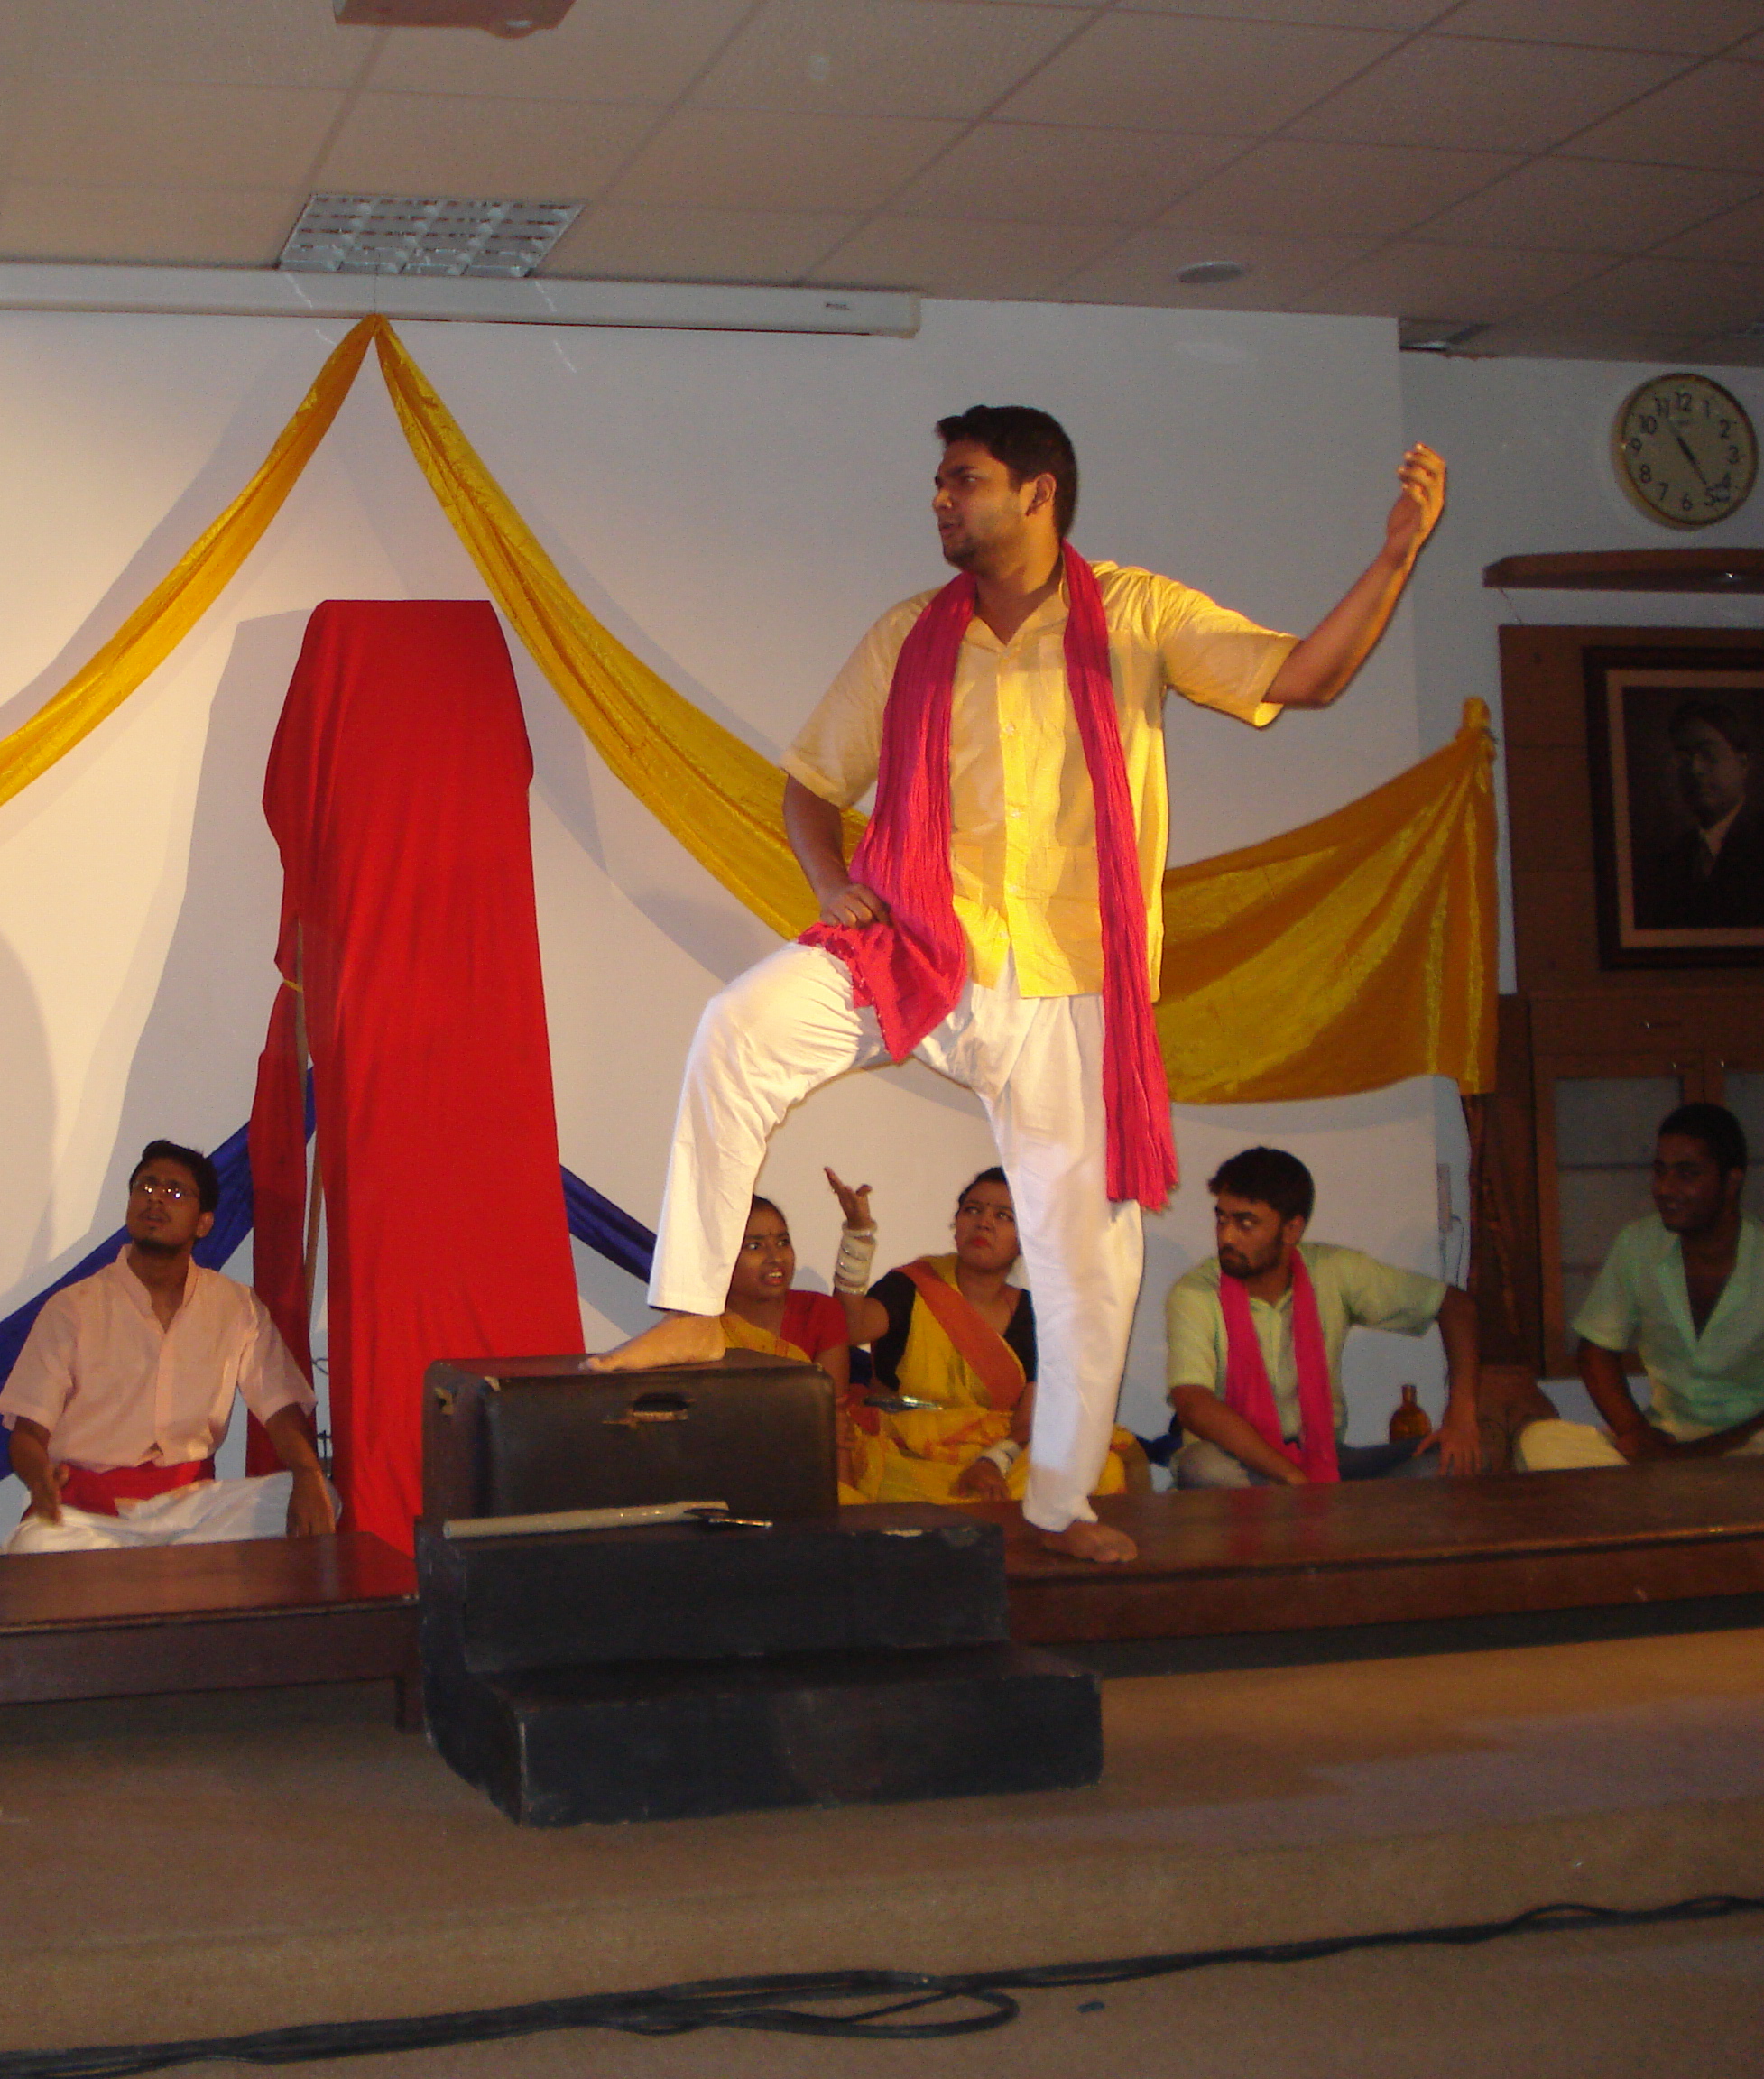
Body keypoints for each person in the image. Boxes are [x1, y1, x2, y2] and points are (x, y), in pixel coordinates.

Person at [591, 404, 1449, 1567]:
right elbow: (810, 781)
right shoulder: (911, 635)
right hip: (919, 951)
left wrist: (1395, 556)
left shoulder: (1136, 615)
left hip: (1069, 987)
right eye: (941, 482)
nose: (940, 499)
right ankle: (695, 1311)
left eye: (965, 479)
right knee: (736, 1027)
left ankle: (1059, 1503)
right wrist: (833, 884)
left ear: (1038, 493)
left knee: (1091, 1259)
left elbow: (1305, 677)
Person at [0, 1141, 339, 1552]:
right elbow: (28, 1432)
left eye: (175, 1192)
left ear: (203, 1223)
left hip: (192, 1511)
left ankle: (143, 1570)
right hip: (93, 1513)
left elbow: (281, 1408)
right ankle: (169, 1569)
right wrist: (40, 1480)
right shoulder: (73, 1307)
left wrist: (307, 1475)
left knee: (319, 1497)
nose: (155, 1198)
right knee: (36, 1544)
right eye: (145, 1187)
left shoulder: (236, 1306)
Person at [1519, 1104, 1764, 1472]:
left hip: (1748, 1447)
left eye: (1687, 1174)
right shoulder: (1638, 1245)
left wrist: (1698, 1455)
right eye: (1660, 1171)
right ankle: (1673, 1485)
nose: (1665, 1189)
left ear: (1731, 1182)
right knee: (1541, 1439)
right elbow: (1595, 1353)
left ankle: (1669, 1487)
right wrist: (1636, 1432)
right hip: (1666, 1440)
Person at [1166, 1148, 1482, 1488]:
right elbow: (1193, 1404)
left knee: (1457, 1460)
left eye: (1246, 1223)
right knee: (1202, 1468)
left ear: (1291, 1230)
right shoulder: (1196, 1292)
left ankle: (1327, 1508)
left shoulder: (1334, 1271)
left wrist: (1461, 1418)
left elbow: (1456, 1307)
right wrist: (1291, 1476)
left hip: (1323, 1458)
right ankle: (1336, 1509)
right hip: (1239, 1462)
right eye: (1222, 1219)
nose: (1227, 1236)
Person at [844, 1167, 1144, 1507]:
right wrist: (857, 1236)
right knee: (882, 1476)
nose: (984, 1223)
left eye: (1003, 1216)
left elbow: (1030, 1423)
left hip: (994, 1455)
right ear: (957, 1224)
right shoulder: (912, 1287)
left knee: (1100, 1470)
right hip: (907, 1451)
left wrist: (991, 1463)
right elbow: (851, 1329)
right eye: (973, 1210)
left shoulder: (1037, 1317)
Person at [1632, 701, 1764, 931]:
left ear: (1742, 764)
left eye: (1708, 754)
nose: (1695, 769)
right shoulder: (1672, 860)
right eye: (1684, 757)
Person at [716, 1196, 853, 1396]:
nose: (776, 1257)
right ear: (720, 1256)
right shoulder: (700, 1326)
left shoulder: (819, 1312)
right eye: (754, 1246)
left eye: (783, 1242)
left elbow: (830, 1405)